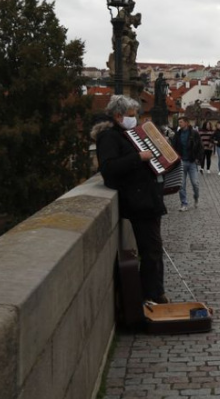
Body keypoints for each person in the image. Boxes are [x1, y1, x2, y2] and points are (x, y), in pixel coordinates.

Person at [93, 95, 169, 304]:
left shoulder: (127, 134)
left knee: (153, 249)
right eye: (131, 115)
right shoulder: (109, 136)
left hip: (147, 199)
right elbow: (108, 168)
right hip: (138, 202)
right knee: (151, 251)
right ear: (118, 115)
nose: (134, 119)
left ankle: (155, 292)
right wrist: (138, 157)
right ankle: (152, 296)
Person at [172, 116, 204, 211]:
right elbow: (173, 147)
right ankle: (184, 203)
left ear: (186, 123)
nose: (179, 124)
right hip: (181, 162)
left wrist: (198, 159)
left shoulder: (194, 134)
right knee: (181, 185)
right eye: (179, 122)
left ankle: (196, 197)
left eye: (181, 122)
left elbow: (200, 147)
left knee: (195, 183)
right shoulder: (177, 135)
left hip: (192, 162)